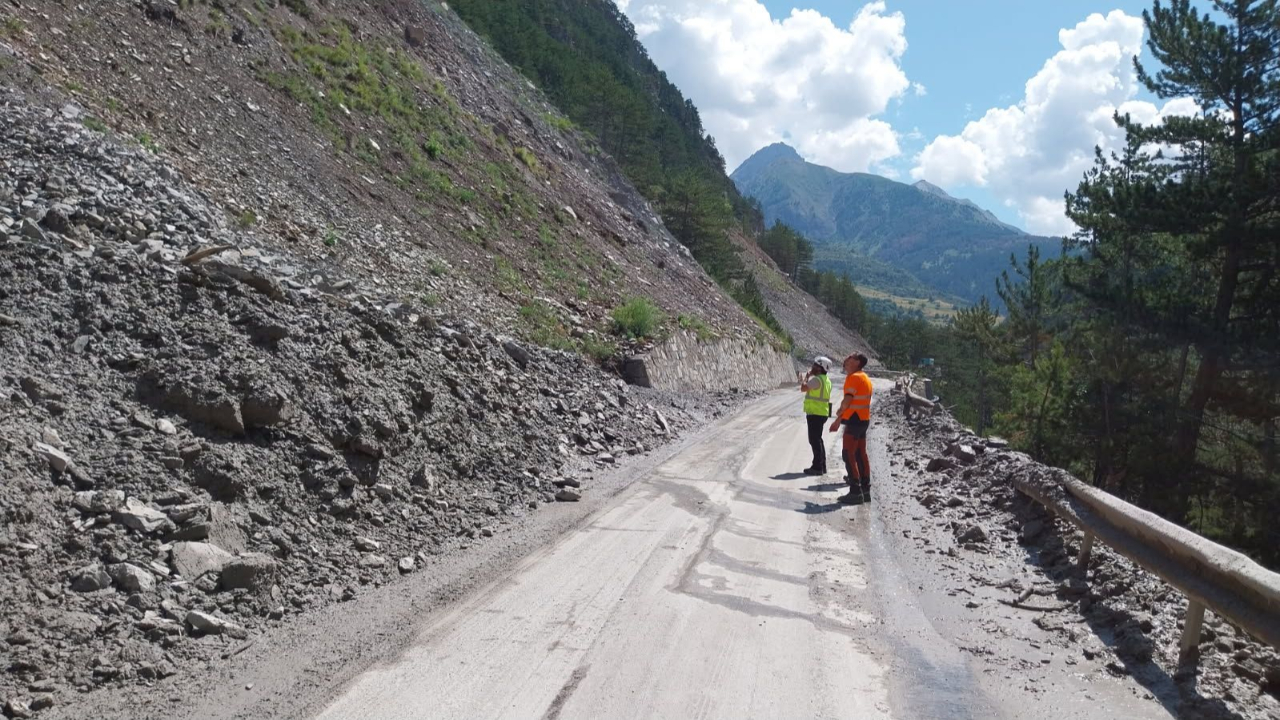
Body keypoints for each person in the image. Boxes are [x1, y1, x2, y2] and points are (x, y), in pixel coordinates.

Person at [829, 353, 873, 505]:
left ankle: (855, 491)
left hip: (854, 421)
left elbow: (847, 401)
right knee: (861, 454)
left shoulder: (854, 378)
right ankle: (865, 490)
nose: (846, 359)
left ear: (857, 362)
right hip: (863, 420)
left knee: (849, 454)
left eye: (850, 358)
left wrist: (838, 418)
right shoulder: (865, 378)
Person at [798, 356, 833, 475]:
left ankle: (817, 467)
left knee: (814, 440)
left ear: (820, 368)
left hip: (815, 413)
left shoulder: (817, 380)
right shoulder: (826, 380)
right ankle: (822, 466)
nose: (813, 367)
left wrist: (807, 376)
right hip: (822, 412)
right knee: (818, 439)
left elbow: (803, 388)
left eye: (815, 365)